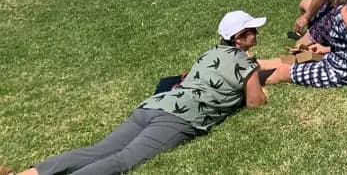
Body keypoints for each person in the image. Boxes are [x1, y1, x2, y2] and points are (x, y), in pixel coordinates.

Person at [5, 11, 267, 175]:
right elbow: (255, 103)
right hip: (179, 118)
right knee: (123, 159)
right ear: (239, 38)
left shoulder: (209, 52)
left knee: (97, 150)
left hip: (155, 105)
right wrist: (254, 73)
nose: (256, 34)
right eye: (251, 31)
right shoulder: (246, 65)